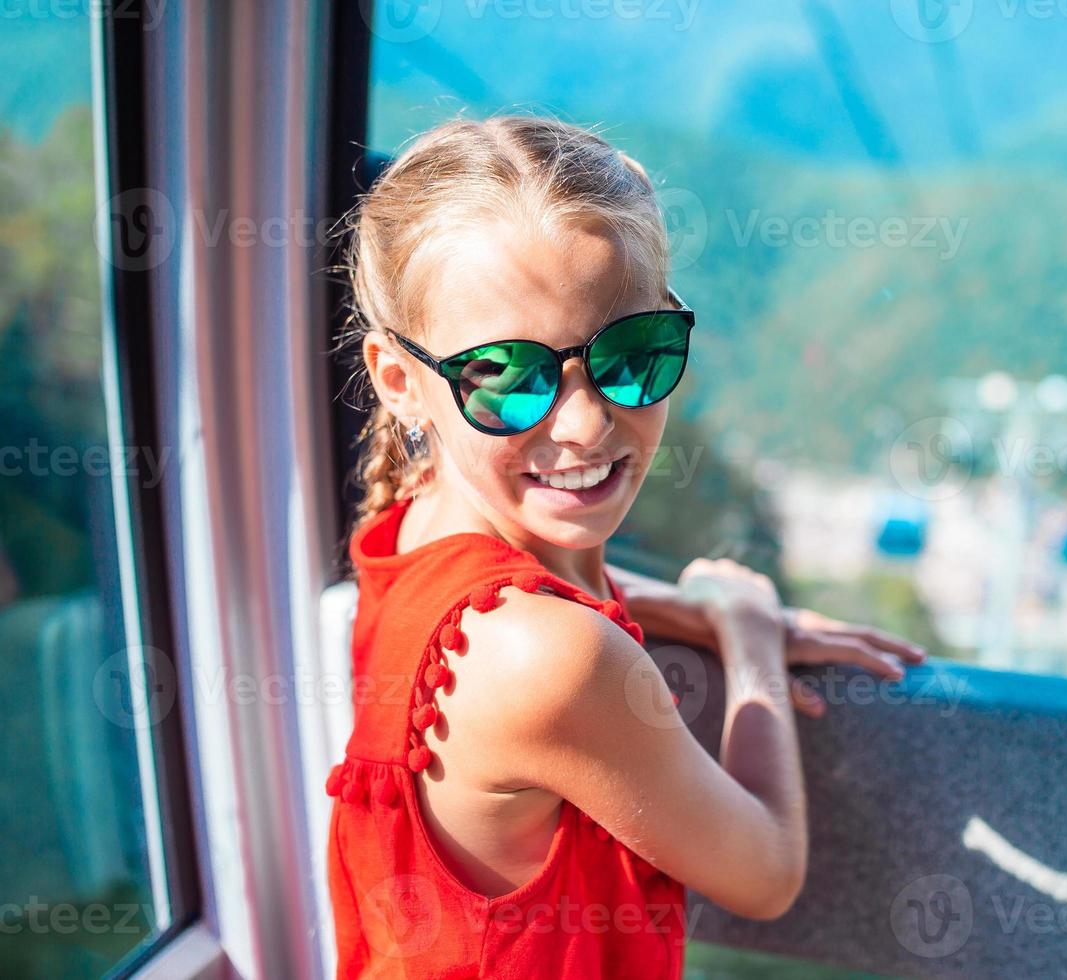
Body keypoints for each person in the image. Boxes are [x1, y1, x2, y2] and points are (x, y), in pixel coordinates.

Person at [325, 114, 927, 978]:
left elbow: (518, 621)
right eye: (507, 378)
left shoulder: (413, 524)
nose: (585, 422)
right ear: (399, 380)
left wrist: (670, 606)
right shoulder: (552, 657)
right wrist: (750, 629)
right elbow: (765, 872)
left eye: (632, 354)